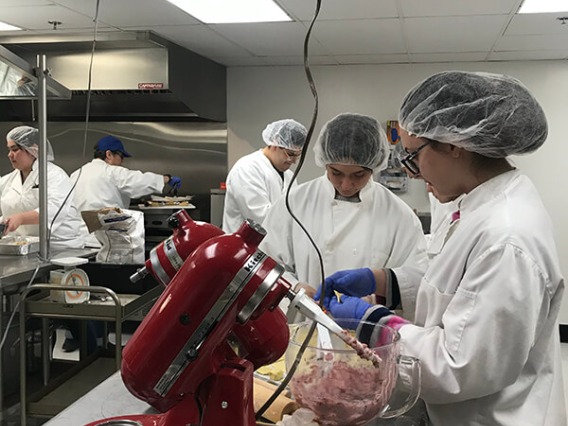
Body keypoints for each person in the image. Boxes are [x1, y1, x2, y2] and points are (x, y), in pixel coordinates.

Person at [320, 71, 566, 425]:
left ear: (454, 145)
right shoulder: (478, 207)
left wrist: (371, 322)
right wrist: (384, 281)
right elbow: (462, 297)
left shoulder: (507, 235)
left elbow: (459, 366)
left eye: (412, 156)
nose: (413, 173)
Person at [260, 113, 428, 323]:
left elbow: (417, 280)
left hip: (369, 335)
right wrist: (293, 288)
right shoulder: (293, 203)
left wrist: (376, 292)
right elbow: (266, 263)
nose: (346, 184)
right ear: (325, 163)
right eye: (336, 173)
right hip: (304, 328)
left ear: (374, 167)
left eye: (358, 175)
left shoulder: (397, 214)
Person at [70, 135, 181, 246]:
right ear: (109, 154)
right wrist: (166, 179)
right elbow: (139, 181)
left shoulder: (75, 175)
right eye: (121, 156)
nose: (122, 161)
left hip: (79, 241)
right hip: (104, 241)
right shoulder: (111, 171)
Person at [0, 125, 86, 250]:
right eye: (9, 150)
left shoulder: (54, 175)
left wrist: (20, 218)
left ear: (33, 149)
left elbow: (52, 210)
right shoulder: (8, 180)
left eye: (14, 149)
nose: (9, 155)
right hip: (24, 247)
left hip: (59, 248)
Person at [222, 119, 307, 233]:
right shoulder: (247, 168)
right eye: (290, 154)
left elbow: (295, 209)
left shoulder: (289, 176)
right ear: (275, 143)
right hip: (245, 248)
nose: (293, 161)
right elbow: (260, 218)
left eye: (297, 155)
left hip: (273, 247)